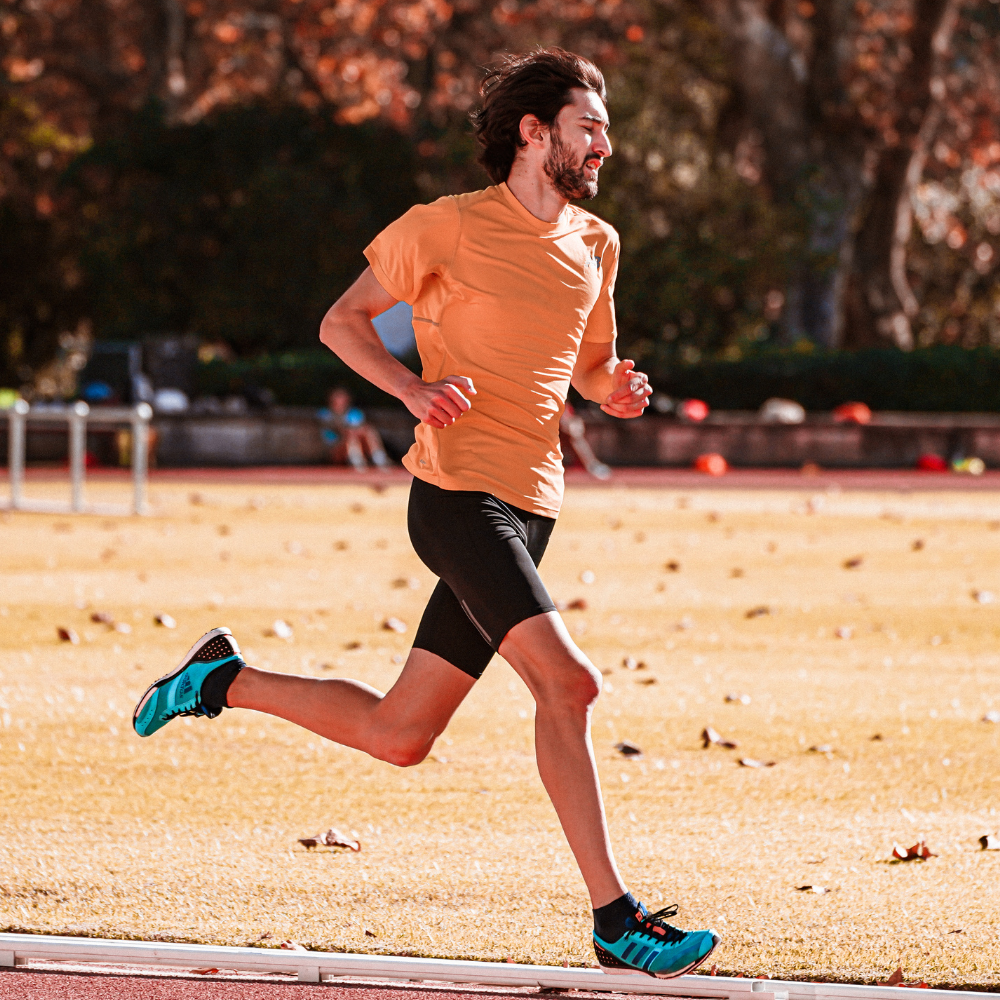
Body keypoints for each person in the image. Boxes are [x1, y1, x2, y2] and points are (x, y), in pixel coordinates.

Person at [132, 47, 719, 979]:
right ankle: (616, 920)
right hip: (455, 498)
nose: (605, 142)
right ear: (536, 133)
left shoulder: (597, 243)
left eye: (604, 128)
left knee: (400, 736)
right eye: (589, 125)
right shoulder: (444, 227)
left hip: (534, 505)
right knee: (570, 686)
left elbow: (592, 366)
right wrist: (410, 390)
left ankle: (220, 680)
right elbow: (341, 322)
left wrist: (619, 392)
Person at [320, 386, 390, 469]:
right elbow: (338, 431)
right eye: (337, 398)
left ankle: (378, 458)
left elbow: (360, 428)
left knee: (368, 431)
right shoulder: (325, 414)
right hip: (335, 449)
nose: (340, 401)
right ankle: (357, 461)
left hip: (357, 443)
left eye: (342, 398)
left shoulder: (354, 413)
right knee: (351, 435)